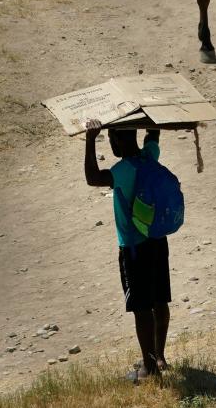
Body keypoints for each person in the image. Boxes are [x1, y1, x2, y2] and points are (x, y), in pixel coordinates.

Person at [84, 128, 171, 380]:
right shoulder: (149, 158)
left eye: (110, 138)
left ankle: (149, 367)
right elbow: (153, 136)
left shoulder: (121, 171)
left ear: (118, 140)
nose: (110, 143)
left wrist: (90, 139)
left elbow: (92, 177)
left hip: (134, 249)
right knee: (159, 301)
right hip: (157, 241)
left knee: (141, 308)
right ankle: (160, 356)